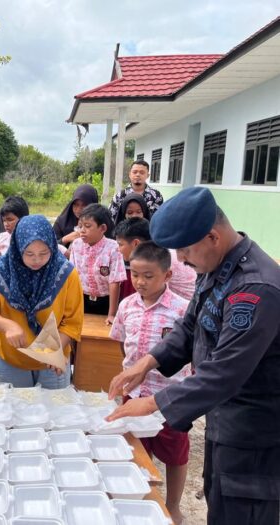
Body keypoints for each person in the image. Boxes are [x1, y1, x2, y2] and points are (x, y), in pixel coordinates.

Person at [105, 187, 280, 525]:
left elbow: (224, 373)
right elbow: (190, 327)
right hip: (225, 419)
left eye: (184, 250)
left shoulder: (255, 288)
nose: (182, 260)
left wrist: (155, 403)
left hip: (254, 432)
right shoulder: (216, 267)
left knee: (242, 513)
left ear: (212, 237)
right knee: (220, 502)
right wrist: (148, 362)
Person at [109, 241, 191, 524]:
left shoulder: (183, 310)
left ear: (167, 276)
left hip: (170, 399)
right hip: (134, 395)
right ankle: (139, 499)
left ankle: (173, 506)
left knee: (175, 453)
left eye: (149, 276)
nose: (140, 282)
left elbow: (190, 353)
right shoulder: (126, 305)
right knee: (135, 450)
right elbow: (123, 344)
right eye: (135, 274)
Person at [0, 215, 84, 388]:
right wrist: (8, 326)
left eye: (44, 253)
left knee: (53, 411)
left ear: (53, 248)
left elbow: (72, 322)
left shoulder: (66, 274)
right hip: (11, 358)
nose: (37, 260)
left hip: (52, 361)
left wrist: (54, 350)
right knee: (15, 411)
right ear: (18, 249)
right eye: (29, 253)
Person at [114, 218, 197, 301]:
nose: (117, 249)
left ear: (136, 243)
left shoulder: (157, 260)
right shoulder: (162, 252)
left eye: (120, 244)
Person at [69, 203, 126, 322]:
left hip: (106, 302)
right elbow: (72, 277)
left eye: (88, 226)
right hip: (82, 300)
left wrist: (112, 315)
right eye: (80, 226)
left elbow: (114, 282)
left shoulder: (113, 248)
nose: (82, 231)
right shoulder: (76, 245)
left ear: (103, 228)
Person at [53, 184, 99, 249]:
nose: (79, 209)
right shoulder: (61, 222)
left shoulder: (101, 223)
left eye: (84, 205)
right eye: (76, 205)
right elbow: (49, 247)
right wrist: (65, 239)